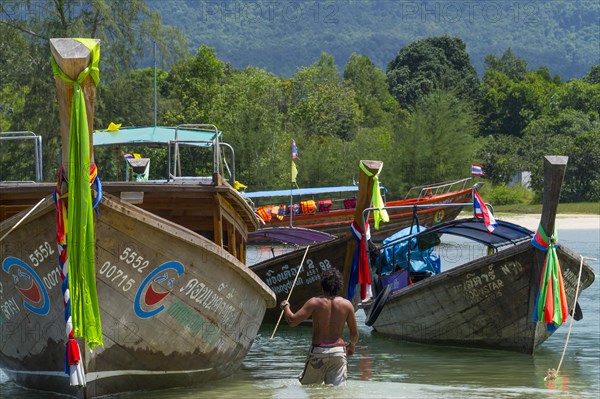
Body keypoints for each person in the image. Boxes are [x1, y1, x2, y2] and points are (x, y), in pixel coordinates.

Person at [280, 268, 359, 386]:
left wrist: (285, 306)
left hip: (318, 352)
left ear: (322, 285)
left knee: (310, 389)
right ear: (339, 286)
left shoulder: (314, 302)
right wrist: (352, 346)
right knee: (336, 393)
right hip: (338, 352)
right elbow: (354, 334)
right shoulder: (347, 305)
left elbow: (292, 321)